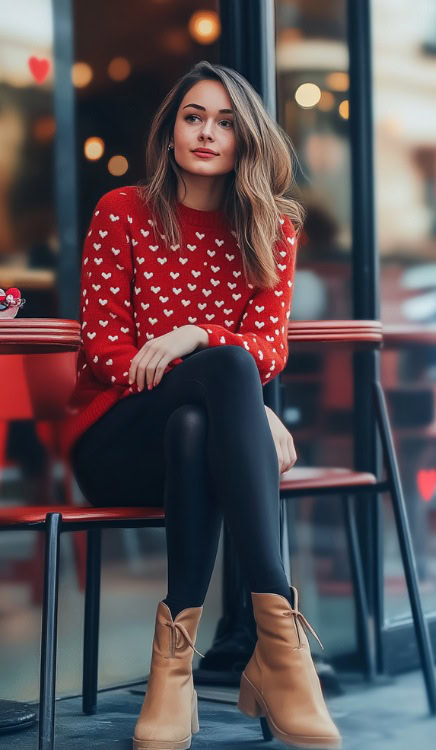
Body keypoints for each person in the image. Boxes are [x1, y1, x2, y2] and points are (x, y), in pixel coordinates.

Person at [61, 61, 342, 750]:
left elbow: (268, 350)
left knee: (197, 420)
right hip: (114, 440)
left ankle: (174, 670)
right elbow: (104, 355)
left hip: (197, 440)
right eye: (193, 116)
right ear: (172, 128)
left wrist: (205, 353)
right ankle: (281, 649)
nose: (207, 132)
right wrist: (238, 389)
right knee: (224, 373)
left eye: (224, 121)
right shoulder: (122, 211)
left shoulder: (273, 225)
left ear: (247, 138)